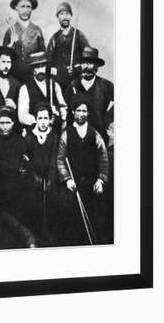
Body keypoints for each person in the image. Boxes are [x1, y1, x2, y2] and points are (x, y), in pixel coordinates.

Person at [57, 97, 110, 245]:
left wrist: (100, 180)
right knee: (73, 224)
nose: (81, 113)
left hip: (92, 186)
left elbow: (103, 158)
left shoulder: (95, 134)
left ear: (88, 113)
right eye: (78, 110)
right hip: (73, 186)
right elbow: (61, 158)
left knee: (94, 220)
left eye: (84, 111)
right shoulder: (67, 133)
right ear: (73, 112)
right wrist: (67, 179)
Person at [0, 106, 30, 221]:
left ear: (13, 123)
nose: (5, 126)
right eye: (2, 123)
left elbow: (23, 165)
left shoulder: (20, 141)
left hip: (16, 190)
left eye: (8, 123)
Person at [23, 102, 59, 243]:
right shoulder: (30, 136)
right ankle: (34, 235)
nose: (43, 122)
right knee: (34, 207)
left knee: (49, 207)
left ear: (50, 120)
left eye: (45, 118)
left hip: (48, 179)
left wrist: (50, 178)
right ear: (36, 119)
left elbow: (53, 159)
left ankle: (47, 235)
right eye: (40, 118)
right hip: (34, 179)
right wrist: (34, 176)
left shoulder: (54, 136)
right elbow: (27, 159)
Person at [64, 46, 114, 144]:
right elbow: (65, 111)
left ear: (96, 66)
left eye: (90, 63)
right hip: (76, 140)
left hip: (99, 140)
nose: (86, 67)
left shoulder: (106, 86)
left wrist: (107, 120)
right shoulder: (73, 86)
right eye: (84, 63)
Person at [17, 51, 67, 132]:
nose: (40, 70)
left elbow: (63, 107)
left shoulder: (54, 85)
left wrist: (58, 113)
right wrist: (42, 121)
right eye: (37, 67)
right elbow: (22, 116)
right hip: (35, 133)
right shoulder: (25, 89)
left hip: (53, 133)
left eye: (42, 66)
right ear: (32, 69)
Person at [46, 2, 90, 89]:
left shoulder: (78, 35)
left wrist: (77, 68)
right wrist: (59, 72)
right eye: (62, 14)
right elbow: (48, 63)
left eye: (67, 14)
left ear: (70, 16)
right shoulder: (54, 39)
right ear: (58, 17)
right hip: (59, 83)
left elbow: (88, 57)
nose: (65, 17)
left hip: (77, 81)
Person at [3, 0, 46, 82]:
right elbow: (3, 56)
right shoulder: (10, 31)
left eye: (28, 7)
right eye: (22, 7)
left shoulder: (37, 30)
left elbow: (43, 56)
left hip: (32, 77)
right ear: (16, 8)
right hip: (13, 77)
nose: (26, 10)